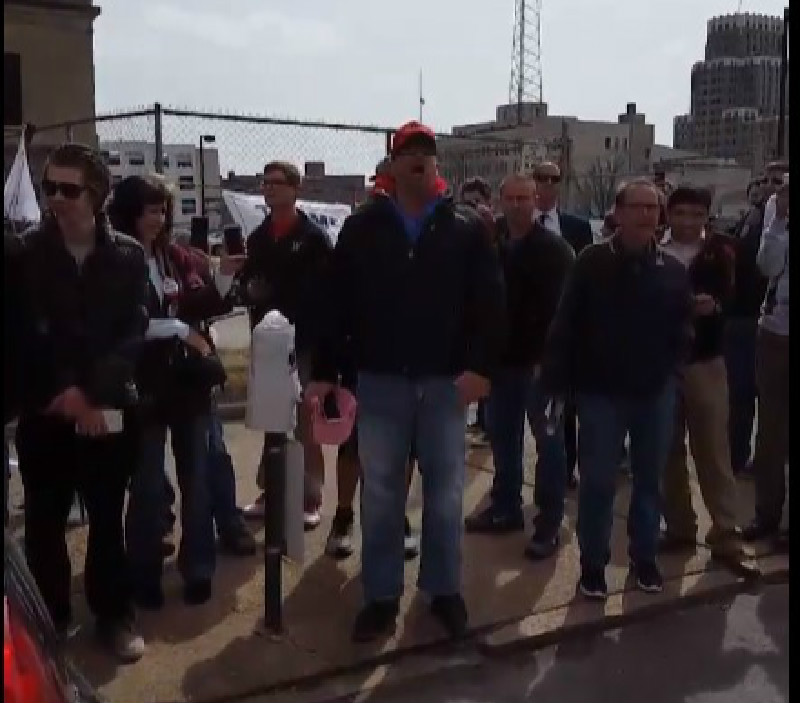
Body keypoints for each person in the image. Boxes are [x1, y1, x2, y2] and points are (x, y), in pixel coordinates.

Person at [308, 121, 506, 642]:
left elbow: (489, 304)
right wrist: (326, 374)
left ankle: (443, 590)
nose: (419, 160)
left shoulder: (466, 228)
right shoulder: (363, 228)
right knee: (381, 494)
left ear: (438, 164)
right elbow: (335, 305)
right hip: (380, 383)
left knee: (444, 492)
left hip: (445, 385)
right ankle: (380, 596)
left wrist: (482, 368)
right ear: (392, 166)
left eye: (427, 153)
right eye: (408, 153)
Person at [11, 143, 148, 660]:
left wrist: (93, 394)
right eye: (50, 188)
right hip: (47, 411)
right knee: (45, 522)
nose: (57, 199)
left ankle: (113, 614)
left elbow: (130, 331)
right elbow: (28, 334)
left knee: (109, 520)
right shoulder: (24, 254)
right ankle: (51, 621)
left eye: (69, 189)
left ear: (98, 196)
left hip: (109, 409)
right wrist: (63, 393)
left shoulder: (128, 256)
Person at [542, 178, 693, 600]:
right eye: (638, 206)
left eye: (653, 208)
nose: (647, 215)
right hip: (600, 395)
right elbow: (566, 322)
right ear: (619, 212)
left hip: (654, 394)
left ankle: (644, 560)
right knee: (598, 483)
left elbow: (683, 329)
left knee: (649, 482)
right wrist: (556, 382)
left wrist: (673, 374)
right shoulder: (591, 262)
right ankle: (593, 567)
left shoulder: (673, 270)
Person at [108, 174, 239, 609]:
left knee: (197, 481)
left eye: (162, 210)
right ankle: (143, 573)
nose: (157, 218)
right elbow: (128, 322)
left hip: (187, 385)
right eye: (149, 210)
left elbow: (201, 304)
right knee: (145, 486)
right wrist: (179, 329)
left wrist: (223, 279)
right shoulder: (115, 257)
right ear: (128, 212)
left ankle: (198, 569)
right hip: (142, 386)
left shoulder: (176, 257)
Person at [464, 172, 574, 562]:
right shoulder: (494, 245)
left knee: (549, 446)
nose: (516, 205)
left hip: (542, 367)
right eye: (509, 198)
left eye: (523, 198)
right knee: (502, 439)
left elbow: (566, 313)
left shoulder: (555, 250)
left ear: (537, 199)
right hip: (501, 365)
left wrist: (552, 361)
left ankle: (548, 522)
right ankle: (505, 507)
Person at [659, 185, 758, 577]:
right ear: (669, 214)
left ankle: (726, 532)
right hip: (662, 363)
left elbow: (746, 292)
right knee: (666, 450)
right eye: (680, 213)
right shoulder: (653, 249)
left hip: (706, 360)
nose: (687, 222)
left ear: (706, 216)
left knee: (713, 449)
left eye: (695, 215)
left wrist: (717, 305)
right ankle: (680, 527)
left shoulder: (723, 249)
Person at [237, 161, 332, 530]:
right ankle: (272, 490)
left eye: (278, 183)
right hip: (268, 340)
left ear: (296, 189)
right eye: (266, 183)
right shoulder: (259, 238)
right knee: (271, 416)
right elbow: (250, 283)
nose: (270, 188)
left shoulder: (312, 238)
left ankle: (311, 496)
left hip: (303, 342)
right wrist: (247, 289)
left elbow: (325, 297)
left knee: (305, 423)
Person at [531, 161, 593, 491]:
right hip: (522, 336)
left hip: (563, 331)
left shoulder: (577, 228)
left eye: (554, 179)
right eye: (541, 178)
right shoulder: (511, 226)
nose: (547, 185)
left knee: (563, 409)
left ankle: (567, 469)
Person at [725, 161, 788, 476]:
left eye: (779, 181)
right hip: (750, 318)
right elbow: (760, 263)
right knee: (741, 394)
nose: (771, 187)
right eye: (767, 180)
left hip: (764, 319)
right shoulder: (759, 216)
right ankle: (737, 458)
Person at [744, 182, 790, 545]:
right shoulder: (777, 206)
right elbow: (767, 265)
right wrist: (779, 223)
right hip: (775, 332)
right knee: (771, 431)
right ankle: (766, 514)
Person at [459, 177, 495, 438]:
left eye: (477, 201)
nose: (472, 207)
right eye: (467, 201)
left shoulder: (495, 231)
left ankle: (486, 423)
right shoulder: (454, 233)